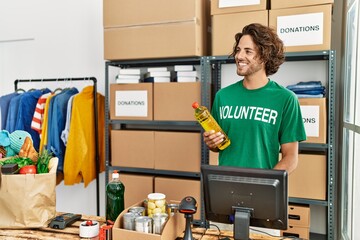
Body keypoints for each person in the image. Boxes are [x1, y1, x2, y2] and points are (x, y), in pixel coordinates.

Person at [204, 23, 306, 174]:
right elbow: (217, 146)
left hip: (263, 190)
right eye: (238, 50)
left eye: (248, 51)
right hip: (226, 185)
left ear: (265, 56)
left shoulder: (286, 99)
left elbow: (290, 157)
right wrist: (212, 143)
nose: (239, 56)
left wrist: (267, 182)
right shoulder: (223, 96)